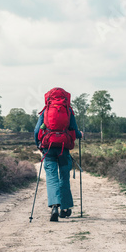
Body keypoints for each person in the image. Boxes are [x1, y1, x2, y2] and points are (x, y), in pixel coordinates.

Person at [34, 87, 83, 222]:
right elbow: (74, 129)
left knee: (51, 178)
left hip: (48, 148)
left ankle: (54, 206)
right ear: (66, 98)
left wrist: (38, 144)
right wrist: (80, 135)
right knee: (64, 177)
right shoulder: (68, 110)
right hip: (64, 148)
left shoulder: (45, 111)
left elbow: (37, 130)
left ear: (49, 98)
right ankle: (65, 208)